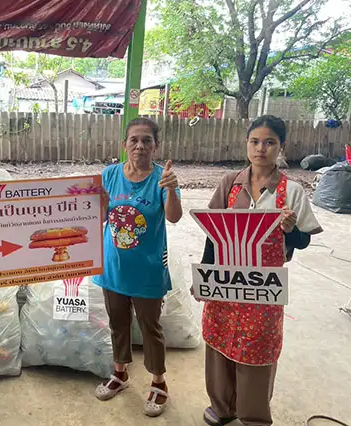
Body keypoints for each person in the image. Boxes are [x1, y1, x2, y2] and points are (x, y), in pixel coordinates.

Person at [196, 115, 323, 426]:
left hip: (263, 287)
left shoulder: (291, 191)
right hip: (225, 281)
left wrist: (291, 230)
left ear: (281, 147)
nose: (261, 149)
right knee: (220, 342)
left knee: (257, 350)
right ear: (246, 144)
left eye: (269, 143)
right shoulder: (230, 184)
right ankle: (223, 407)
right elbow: (213, 234)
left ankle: (253, 416)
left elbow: (303, 241)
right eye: (255, 141)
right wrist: (204, 278)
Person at [93, 117, 182, 417]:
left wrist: (172, 190)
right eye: (134, 140)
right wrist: (100, 202)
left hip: (148, 271)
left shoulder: (162, 178)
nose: (140, 146)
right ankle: (120, 373)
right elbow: (101, 218)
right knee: (117, 323)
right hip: (113, 268)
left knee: (150, 328)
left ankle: (159, 382)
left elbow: (173, 217)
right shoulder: (110, 174)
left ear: (155, 146)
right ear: (125, 144)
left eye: (147, 140)